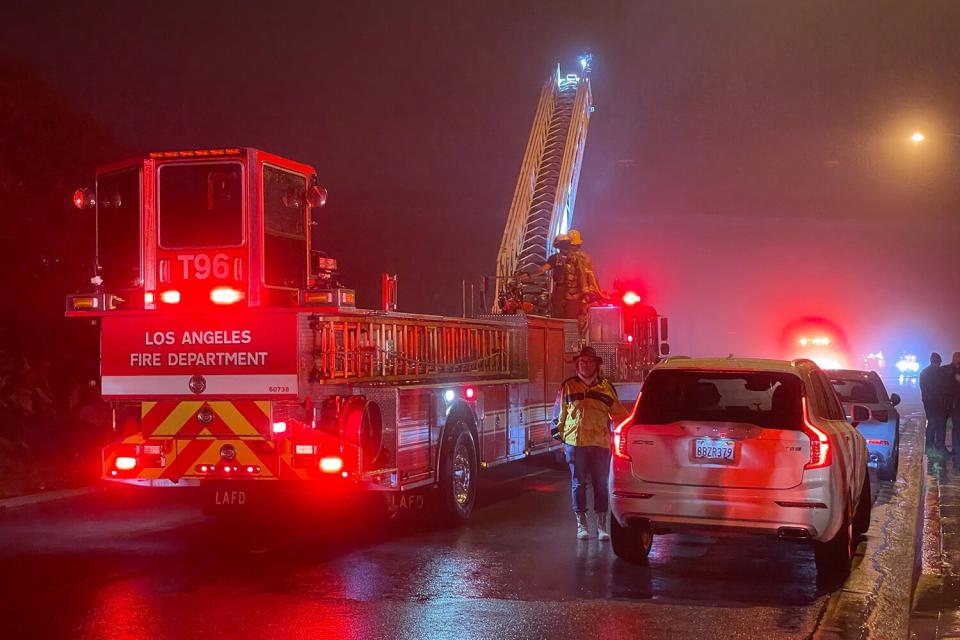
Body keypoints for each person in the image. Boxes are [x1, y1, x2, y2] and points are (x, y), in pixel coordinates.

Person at [552, 346, 629, 540]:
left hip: (600, 444)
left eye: (589, 362)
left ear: (596, 365)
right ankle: (582, 525)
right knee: (578, 484)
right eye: (582, 362)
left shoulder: (606, 387)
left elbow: (619, 415)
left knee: (600, 484)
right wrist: (560, 439)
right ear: (577, 364)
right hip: (575, 444)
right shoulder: (568, 386)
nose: (585, 365)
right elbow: (558, 415)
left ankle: (601, 525)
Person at [920, 352, 947, 450]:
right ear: (939, 362)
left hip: (928, 402)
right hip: (940, 402)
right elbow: (944, 387)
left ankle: (929, 445)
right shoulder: (942, 372)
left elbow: (924, 388)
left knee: (931, 423)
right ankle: (940, 445)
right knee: (940, 424)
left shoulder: (924, 372)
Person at [944, 352, 960, 454]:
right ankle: (955, 448)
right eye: (955, 357)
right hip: (953, 403)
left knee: (957, 427)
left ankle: (956, 448)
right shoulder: (948, 370)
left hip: (956, 403)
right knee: (956, 426)